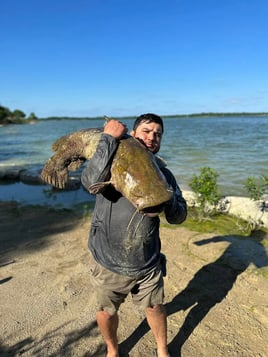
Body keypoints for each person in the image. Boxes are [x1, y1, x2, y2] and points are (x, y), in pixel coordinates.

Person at [81, 113, 187, 357]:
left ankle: (162, 349)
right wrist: (108, 138)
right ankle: (112, 349)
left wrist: (168, 199)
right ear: (134, 134)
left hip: (147, 262)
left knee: (155, 307)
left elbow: (178, 216)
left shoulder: (165, 174)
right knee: (107, 311)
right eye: (147, 131)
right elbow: (88, 183)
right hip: (108, 260)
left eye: (158, 134)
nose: (152, 137)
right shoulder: (111, 160)